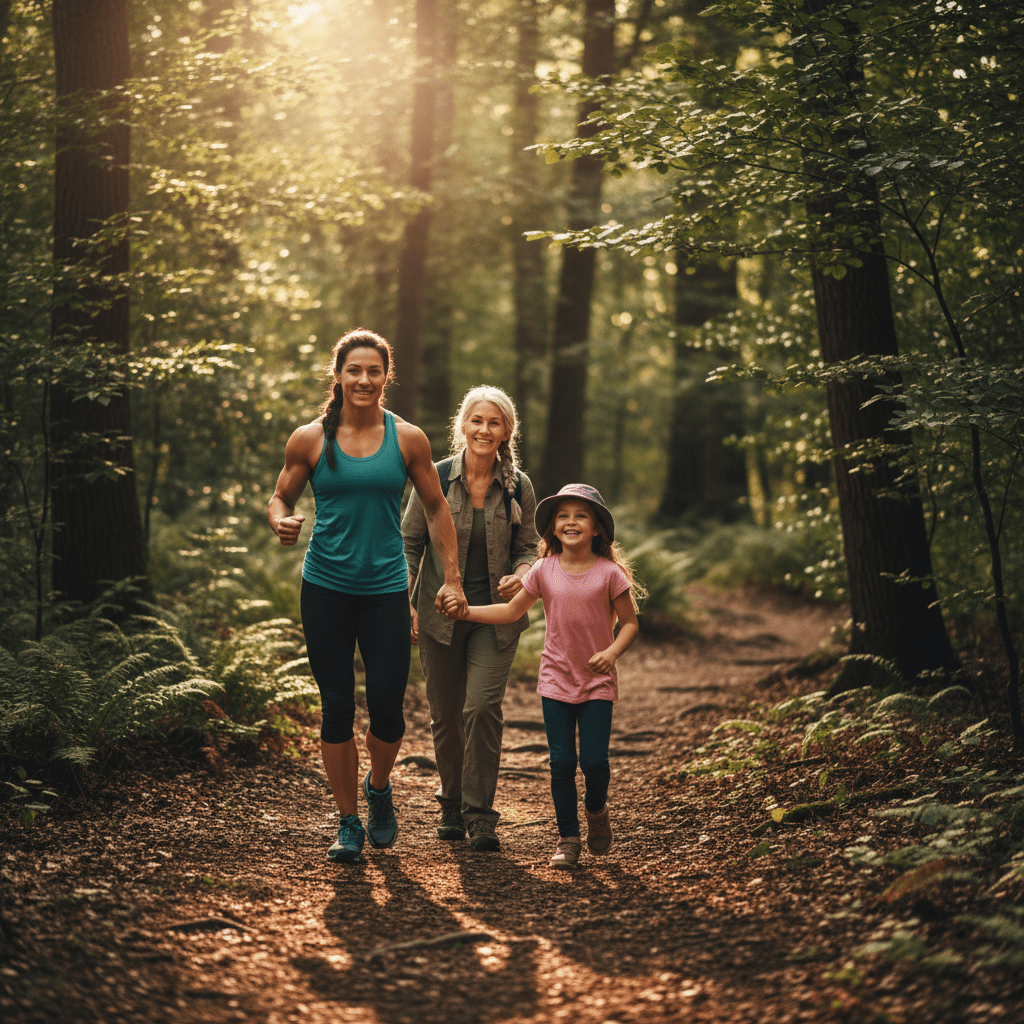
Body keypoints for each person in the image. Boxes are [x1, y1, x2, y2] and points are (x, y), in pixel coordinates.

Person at [269, 329, 467, 865]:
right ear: (338, 375)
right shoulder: (309, 438)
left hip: (385, 590)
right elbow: (281, 494)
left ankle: (379, 788)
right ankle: (348, 820)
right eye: (353, 370)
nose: (362, 379)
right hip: (325, 589)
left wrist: (450, 576)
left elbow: (435, 509)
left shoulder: (409, 440)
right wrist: (281, 520)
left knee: (387, 711)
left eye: (373, 371)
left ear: (386, 376)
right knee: (335, 708)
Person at [442, 483, 643, 869]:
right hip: (555, 679)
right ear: (552, 528)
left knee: (596, 763)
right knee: (562, 763)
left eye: (581, 515)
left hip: (597, 680)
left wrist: (612, 652)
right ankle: (568, 837)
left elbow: (631, 624)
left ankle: (596, 811)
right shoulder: (543, 569)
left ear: (597, 527)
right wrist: (465, 612)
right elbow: (511, 612)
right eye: (562, 516)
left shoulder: (609, 574)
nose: (571, 522)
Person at [402, 386, 541, 852]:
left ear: (507, 431)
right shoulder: (435, 476)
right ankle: (451, 803)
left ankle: (480, 814)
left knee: (480, 708)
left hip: (496, 618)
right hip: (439, 615)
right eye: (477, 420)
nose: (485, 429)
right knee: (445, 715)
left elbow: (529, 549)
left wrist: (521, 575)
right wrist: (406, 599)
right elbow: (409, 544)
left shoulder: (519, 485)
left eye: (494, 422)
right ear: (463, 425)